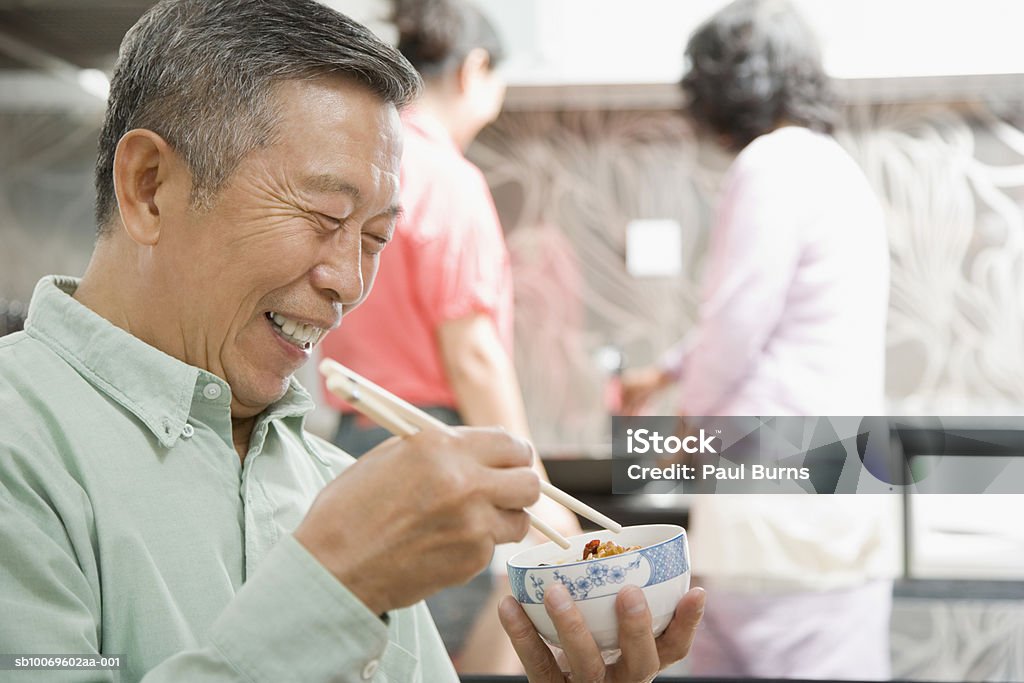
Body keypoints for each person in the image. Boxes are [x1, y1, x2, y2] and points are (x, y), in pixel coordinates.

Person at [0, 1, 705, 682]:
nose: (348, 281)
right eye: (324, 214)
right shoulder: (23, 442)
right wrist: (337, 582)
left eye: (374, 239)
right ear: (150, 187)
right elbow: (475, 349)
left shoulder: (329, 478)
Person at [622, 0, 899, 679]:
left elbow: (736, 327)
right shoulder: (833, 167)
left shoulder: (771, 165)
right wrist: (666, 370)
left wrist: (686, 422)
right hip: (833, 503)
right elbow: (765, 316)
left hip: (780, 512)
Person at [319, 0, 581, 673]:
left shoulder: (366, 167)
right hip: (435, 448)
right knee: (431, 660)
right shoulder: (451, 180)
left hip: (353, 441)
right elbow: (472, 353)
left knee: (371, 654)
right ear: (473, 69)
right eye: (499, 83)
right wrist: (542, 490)